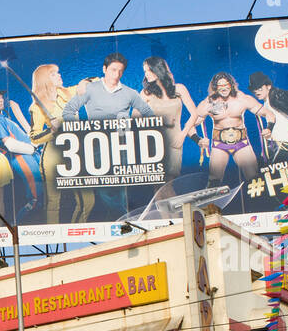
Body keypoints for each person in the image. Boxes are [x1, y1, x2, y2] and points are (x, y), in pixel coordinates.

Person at [59, 53, 155, 218]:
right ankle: (122, 217)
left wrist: (135, 129)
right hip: (97, 146)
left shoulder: (129, 93)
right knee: (105, 190)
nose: (116, 74)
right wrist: (80, 132)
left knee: (123, 189)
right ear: (104, 69)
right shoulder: (90, 90)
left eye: (120, 71)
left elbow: (148, 113)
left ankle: (126, 221)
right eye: (113, 70)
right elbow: (68, 110)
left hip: (122, 146)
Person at [28, 63, 95, 224]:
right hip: (52, 156)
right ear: (45, 79)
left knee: (88, 200)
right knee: (53, 202)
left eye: (58, 72)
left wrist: (86, 82)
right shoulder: (37, 107)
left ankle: (77, 231)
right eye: (53, 74)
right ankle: (55, 235)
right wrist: (51, 131)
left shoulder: (68, 93)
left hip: (74, 153)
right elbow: (34, 137)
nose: (59, 75)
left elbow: (95, 80)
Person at [181, 73, 264, 184]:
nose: (224, 88)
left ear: (231, 85)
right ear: (215, 88)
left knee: (254, 179)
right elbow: (188, 126)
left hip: (241, 143)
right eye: (220, 85)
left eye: (226, 84)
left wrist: (269, 128)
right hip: (219, 145)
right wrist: (198, 140)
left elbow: (267, 114)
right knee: (214, 181)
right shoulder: (208, 103)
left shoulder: (242, 99)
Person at [0, 88, 44, 215]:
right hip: (21, 158)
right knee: (35, 200)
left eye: (0, 97)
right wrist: (33, 148)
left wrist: (18, 111)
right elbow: (10, 145)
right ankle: (16, 230)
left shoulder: (1, 117)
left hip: (28, 156)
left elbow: (27, 135)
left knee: (40, 197)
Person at [140, 56, 198, 182]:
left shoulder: (180, 89)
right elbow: (134, 119)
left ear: (158, 69)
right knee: (159, 184)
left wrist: (182, 135)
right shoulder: (146, 93)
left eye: (149, 70)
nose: (147, 74)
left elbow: (194, 113)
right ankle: (180, 203)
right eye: (145, 71)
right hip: (154, 142)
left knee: (170, 181)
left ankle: (179, 202)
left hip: (175, 142)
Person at [248, 73, 288, 163]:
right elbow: (287, 111)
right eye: (254, 90)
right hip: (273, 141)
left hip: (282, 142)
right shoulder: (267, 102)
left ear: (268, 86)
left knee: (275, 169)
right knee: (270, 169)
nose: (257, 92)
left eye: (260, 89)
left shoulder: (275, 96)